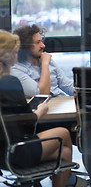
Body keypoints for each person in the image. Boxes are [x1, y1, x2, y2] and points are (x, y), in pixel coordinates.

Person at [0, 30, 73, 187]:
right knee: (64, 134)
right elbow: (26, 122)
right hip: (16, 151)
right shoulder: (9, 82)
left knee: (64, 153)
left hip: (3, 151)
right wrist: (39, 111)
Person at [10, 24, 74, 99]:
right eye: (38, 42)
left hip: (61, 103)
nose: (43, 45)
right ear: (25, 46)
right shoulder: (16, 70)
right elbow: (42, 94)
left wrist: (85, 93)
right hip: (41, 108)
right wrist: (45, 64)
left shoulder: (47, 60)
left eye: (41, 41)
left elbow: (67, 86)